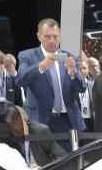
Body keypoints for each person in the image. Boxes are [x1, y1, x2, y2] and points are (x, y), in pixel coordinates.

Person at [15, 18, 87, 149]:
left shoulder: (71, 57)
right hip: (39, 120)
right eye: (47, 36)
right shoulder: (27, 55)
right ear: (39, 36)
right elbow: (20, 79)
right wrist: (41, 66)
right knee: (42, 161)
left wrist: (72, 73)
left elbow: (82, 88)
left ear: (60, 37)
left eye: (55, 36)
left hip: (67, 121)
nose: (52, 40)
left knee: (70, 160)